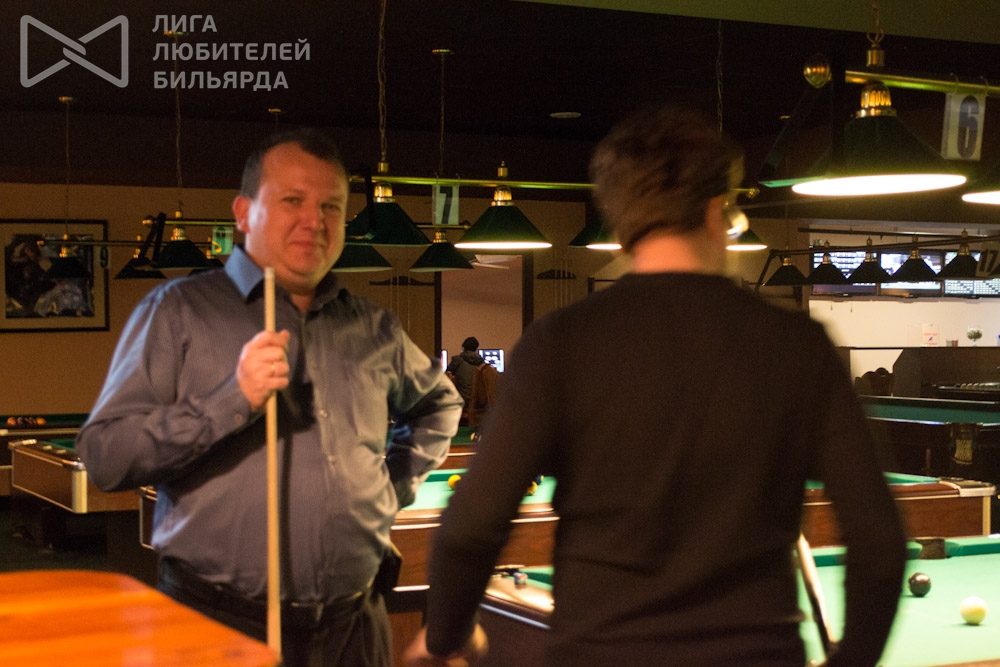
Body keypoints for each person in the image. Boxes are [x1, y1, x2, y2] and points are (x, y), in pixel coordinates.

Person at [404, 106, 907, 667]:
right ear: (717, 211)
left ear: (620, 228)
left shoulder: (559, 343)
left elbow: (471, 528)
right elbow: (880, 544)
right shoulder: (799, 344)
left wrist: (445, 637)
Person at [77, 128, 463, 666]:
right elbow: (104, 456)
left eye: (331, 206)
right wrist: (230, 399)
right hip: (218, 626)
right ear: (243, 213)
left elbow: (440, 405)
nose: (314, 221)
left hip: (354, 627)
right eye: (292, 201)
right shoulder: (178, 310)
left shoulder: (375, 328)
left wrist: (391, 487)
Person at [446, 336, 485, 405]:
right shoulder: (481, 363)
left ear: (463, 348)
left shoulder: (457, 360)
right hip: (479, 401)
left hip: (463, 398)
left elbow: (447, 374)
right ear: (476, 349)